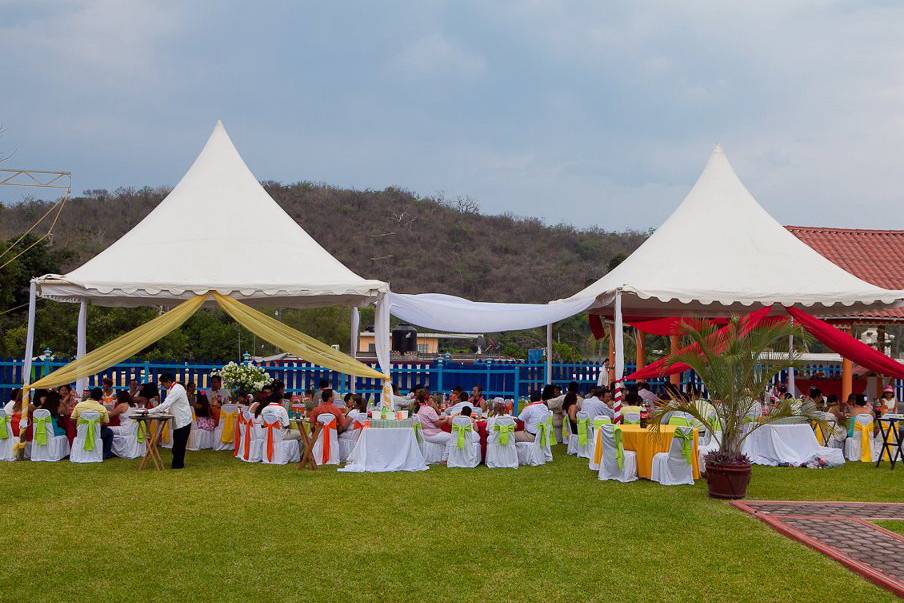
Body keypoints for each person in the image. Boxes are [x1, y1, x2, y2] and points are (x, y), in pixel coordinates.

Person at [148, 373, 193, 469]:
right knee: (177, 444)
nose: (163, 387)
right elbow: (170, 405)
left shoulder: (176, 389)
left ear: (168, 381)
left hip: (183, 421)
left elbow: (166, 404)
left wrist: (149, 411)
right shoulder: (175, 388)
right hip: (180, 420)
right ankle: (177, 464)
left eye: (163, 384)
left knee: (179, 445)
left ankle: (178, 465)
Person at [71, 387, 114, 459]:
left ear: (90, 395)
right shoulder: (102, 408)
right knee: (109, 432)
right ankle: (105, 453)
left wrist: (79, 427)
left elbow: (72, 419)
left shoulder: (79, 405)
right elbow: (106, 422)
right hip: (96, 433)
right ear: (100, 397)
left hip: (81, 433)